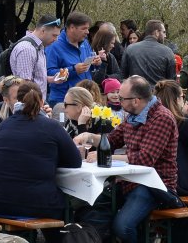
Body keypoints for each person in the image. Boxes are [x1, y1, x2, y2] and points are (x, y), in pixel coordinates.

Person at [77, 76, 180, 243]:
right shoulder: (133, 116)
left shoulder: (162, 118)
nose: (118, 101)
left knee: (123, 226)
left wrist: (105, 156)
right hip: (129, 182)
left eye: (122, 98)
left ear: (136, 101)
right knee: (90, 206)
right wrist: (89, 136)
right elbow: (111, 140)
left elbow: (144, 158)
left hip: (156, 185)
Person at [0, 80, 81, 243]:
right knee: (64, 204)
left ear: (18, 101)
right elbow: (75, 161)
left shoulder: (5, 125)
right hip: (32, 202)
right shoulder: (51, 126)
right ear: (42, 102)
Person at [155, 79, 188, 196]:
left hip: (158, 181)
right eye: (182, 96)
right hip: (180, 183)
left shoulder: (155, 119)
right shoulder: (182, 123)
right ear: (177, 99)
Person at [46, 12, 99, 106]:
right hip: (63, 100)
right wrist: (73, 70)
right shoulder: (54, 45)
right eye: (84, 28)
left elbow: (88, 69)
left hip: (85, 98)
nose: (87, 32)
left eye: (87, 28)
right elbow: (48, 73)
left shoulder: (85, 43)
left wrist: (94, 64)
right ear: (71, 28)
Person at [9, 15, 61, 98]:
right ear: (43, 30)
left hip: (37, 104)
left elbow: (34, 78)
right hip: (30, 106)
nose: (56, 39)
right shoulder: (27, 48)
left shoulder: (38, 47)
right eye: (54, 35)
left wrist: (52, 79)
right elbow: (24, 85)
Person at [120, 20, 177, 85]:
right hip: (158, 93)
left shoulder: (130, 49)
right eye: (163, 32)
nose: (165, 36)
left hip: (136, 92)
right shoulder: (167, 52)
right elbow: (172, 82)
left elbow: (122, 77)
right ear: (157, 32)